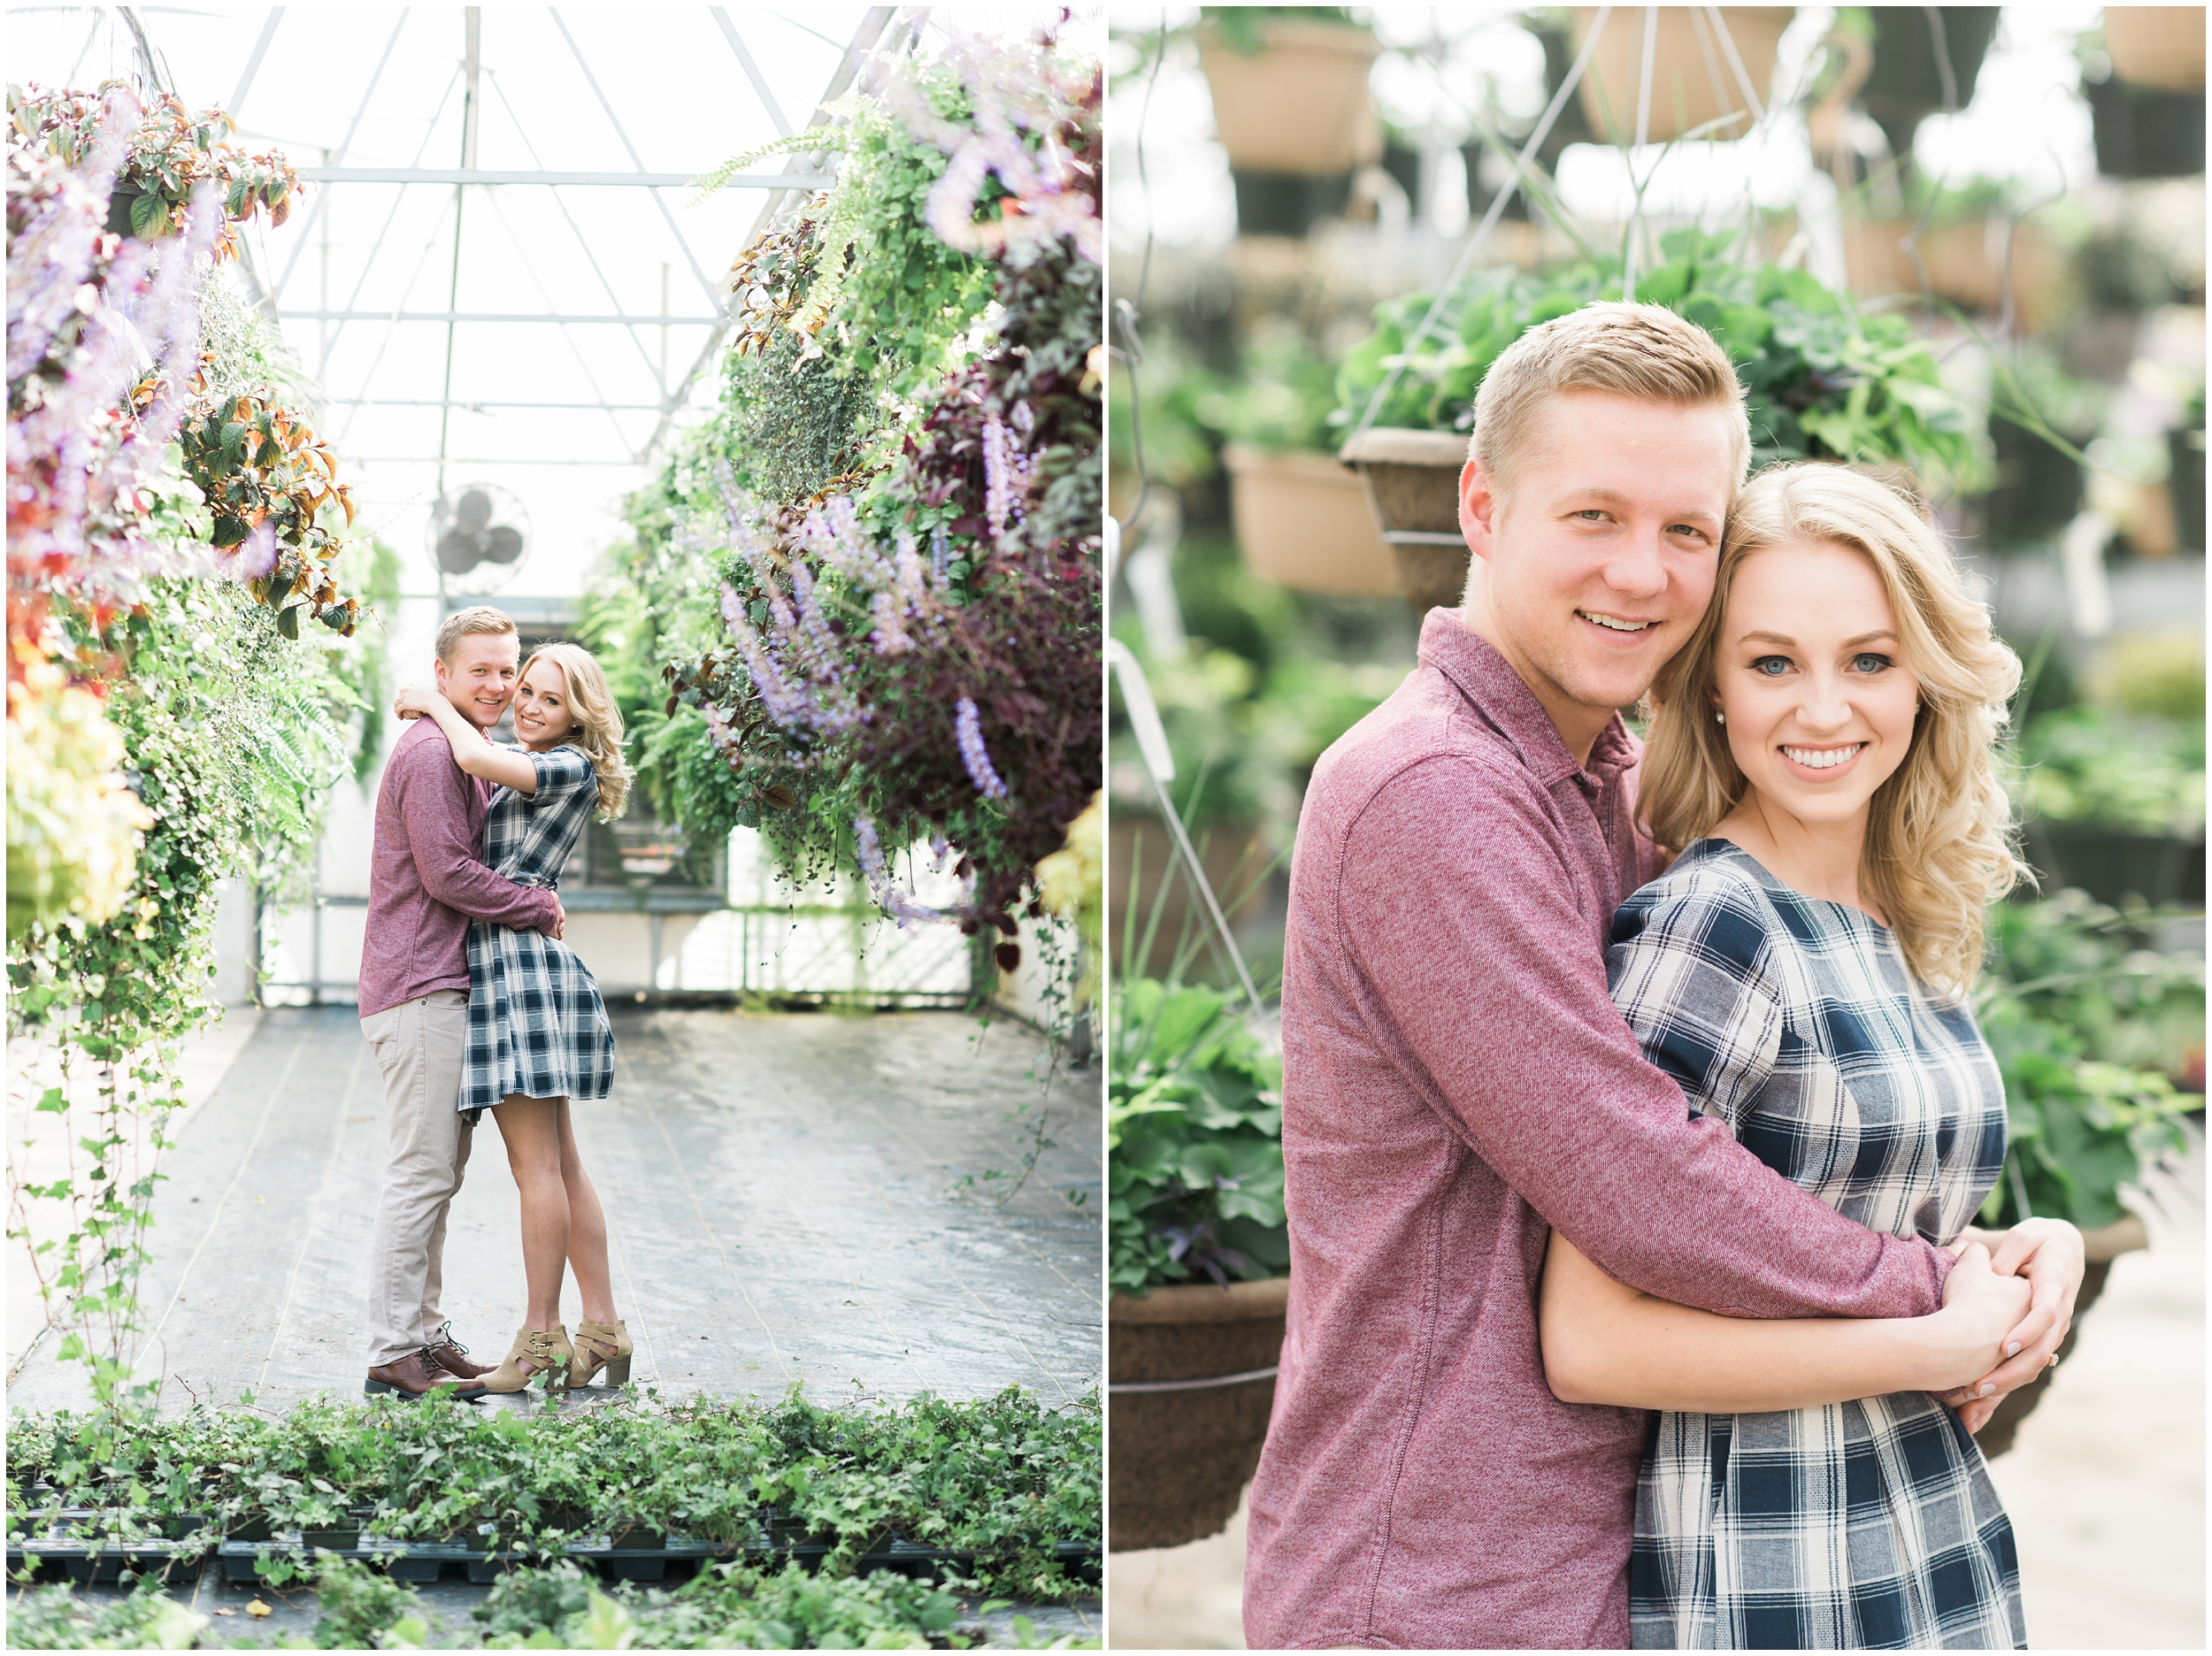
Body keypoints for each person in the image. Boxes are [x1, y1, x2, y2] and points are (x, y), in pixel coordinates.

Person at [1241, 304, 2085, 1650]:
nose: (1643, 574)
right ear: (1479, 505)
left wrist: (1993, 1256)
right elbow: (1643, 1173)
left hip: (1606, 1554)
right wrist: (1937, 1300)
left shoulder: (1615, 778)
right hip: (1437, 1583)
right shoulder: (1430, 792)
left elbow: (1781, 1127)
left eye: (1687, 530)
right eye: (1596, 516)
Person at [1542, 463, 2039, 1647]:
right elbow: (1589, 1338)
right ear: (1711, 689)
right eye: (1773, 663)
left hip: (1931, 1547)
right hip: (1778, 1570)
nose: (1823, 710)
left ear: (1925, 678)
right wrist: (1931, 1342)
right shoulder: (1716, 924)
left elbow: (1885, 1222)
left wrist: (2037, 1254)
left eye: (1869, 660)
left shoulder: (1897, 921)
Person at [393, 640, 634, 1394]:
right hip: (521, 964)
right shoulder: (546, 760)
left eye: (548, 699)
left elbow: (474, 758)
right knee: (560, 1164)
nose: (527, 704)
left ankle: (538, 1343)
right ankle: (604, 1328)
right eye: (524, 688)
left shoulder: (567, 766)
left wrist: (433, 702)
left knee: (537, 1170)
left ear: (577, 716)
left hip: (518, 972)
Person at [359, 605, 565, 1399]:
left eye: (506, 667)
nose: (498, 682)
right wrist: (536, 906)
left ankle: (422, 1334)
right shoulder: (430, 756)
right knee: (420, 1172)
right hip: (418, 988)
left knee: (439, 1171)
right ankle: (391, 1348)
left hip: (438, 988)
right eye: (478, 668)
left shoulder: (460, 749)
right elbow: (447, 874)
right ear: (442, 674)